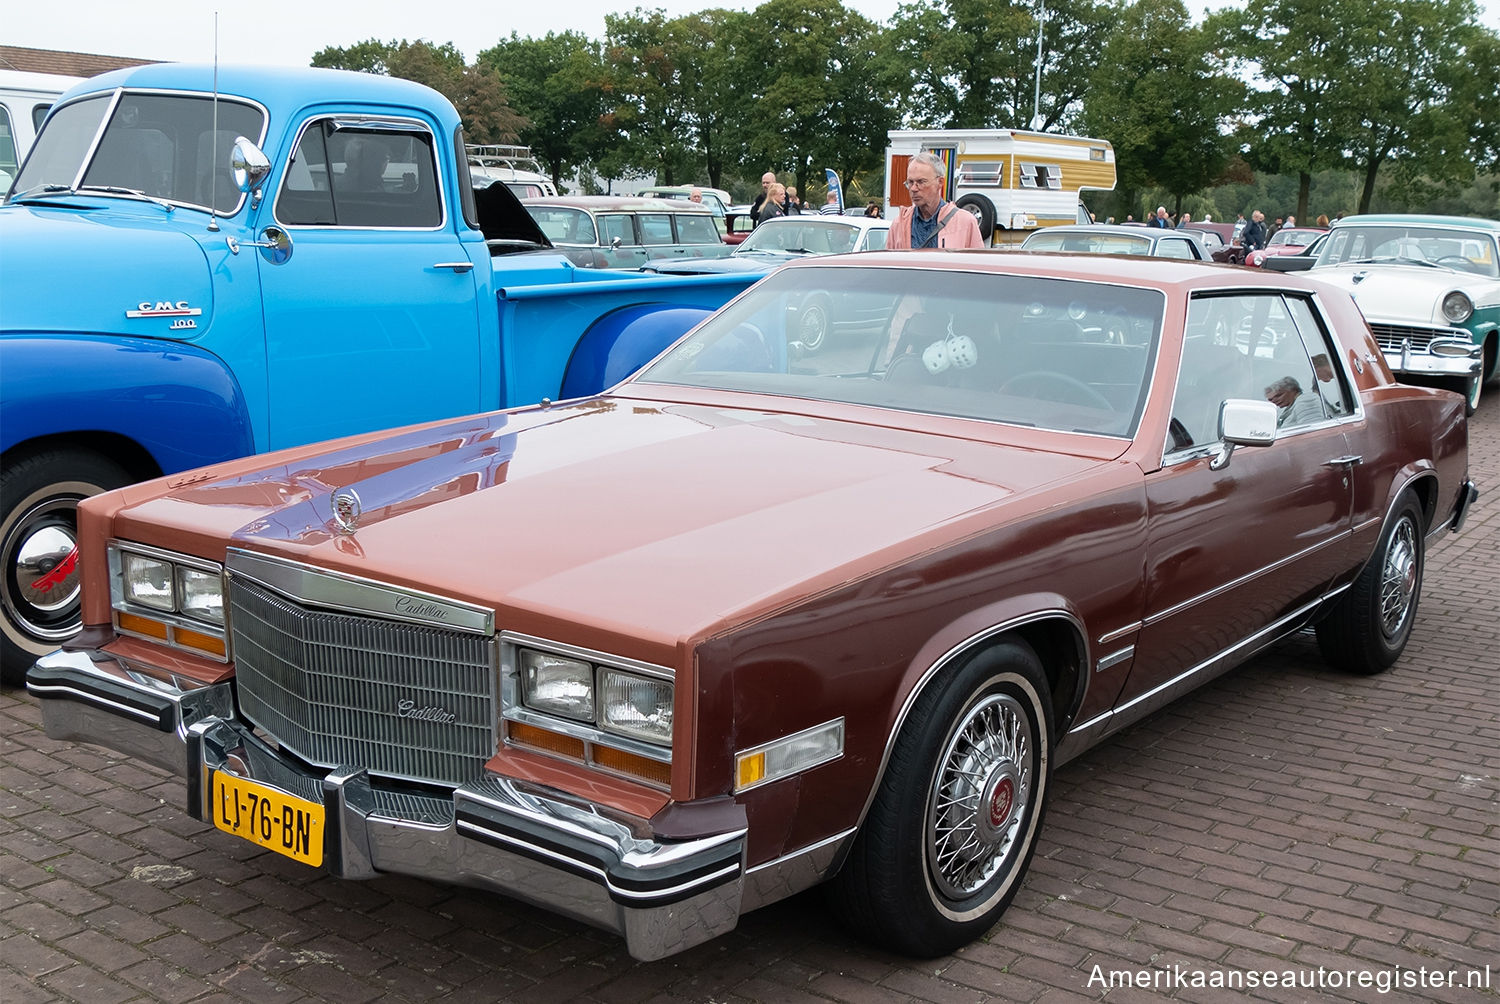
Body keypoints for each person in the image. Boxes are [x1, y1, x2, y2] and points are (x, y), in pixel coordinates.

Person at [886, 151, 984, 250]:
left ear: (940, 182)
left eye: (921, 182)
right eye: (910, 182)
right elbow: (888, 263)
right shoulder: (898, 224)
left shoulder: (965, 222)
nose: (913, 189)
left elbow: (978, 263)